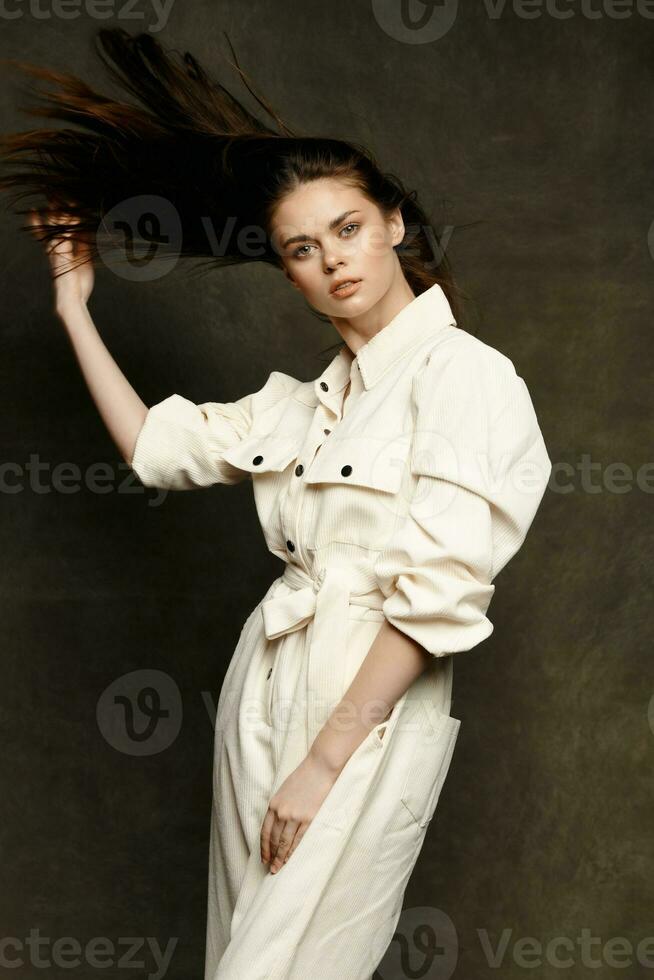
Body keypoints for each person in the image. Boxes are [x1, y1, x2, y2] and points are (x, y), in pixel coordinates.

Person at [0, 28, 553, 980]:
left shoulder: (468, 379)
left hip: (365, 707)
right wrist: (74, 308)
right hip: (262, 687)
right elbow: (151, 449)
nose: (332, 260)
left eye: (346, 229)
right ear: (288, 271)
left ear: (392, 224)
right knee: (238, 961)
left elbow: (435, 600)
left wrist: (323, 763)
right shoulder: (304, 404)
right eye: (303, 248)